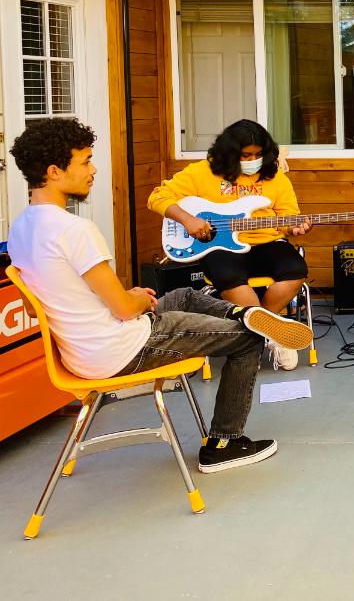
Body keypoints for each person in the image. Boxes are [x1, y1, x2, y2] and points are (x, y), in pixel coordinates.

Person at [6, 117, 313, 473]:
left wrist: (129, 299)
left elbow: (41, 303)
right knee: (248, 341)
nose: (93, 170)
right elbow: (123, 309)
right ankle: (224, 444)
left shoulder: (21, 229)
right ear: (54, 171)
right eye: (85, 161)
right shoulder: (75, 230)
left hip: (86, 350)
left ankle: (242, 313)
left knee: (182, 295)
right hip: (122, 347)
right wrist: (134, 299)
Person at [147, 119, 312, 370]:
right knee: (229, 274)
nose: (253, 160)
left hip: (266, 241)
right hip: (220, 246)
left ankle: (261, 332)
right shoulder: (201, 172)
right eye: (246, 155)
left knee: (296, 269)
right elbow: (157, 197)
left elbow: (288, 217)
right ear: (230, 154)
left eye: (258, 155)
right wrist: (188, 220)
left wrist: (295, 228)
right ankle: (271, 333)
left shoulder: (275, 177)